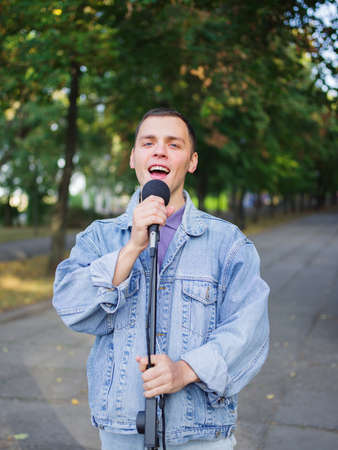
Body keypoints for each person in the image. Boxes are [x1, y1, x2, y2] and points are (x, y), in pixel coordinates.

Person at [53, 108, 270, 450]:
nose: (159, 151)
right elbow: (69, 304)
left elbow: (249, 331)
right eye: (148, 142)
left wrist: (184, 370)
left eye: (174, 144)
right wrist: (131, 248)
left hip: (200, 433)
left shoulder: (228, 244)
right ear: (133, 157)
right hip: (121, 431)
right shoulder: (99, 237)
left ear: (192, 161)